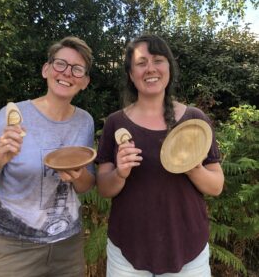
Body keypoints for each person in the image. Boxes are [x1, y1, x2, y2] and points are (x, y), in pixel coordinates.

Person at [0, 36, 95, 277]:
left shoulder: (84, 121)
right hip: (11, 248)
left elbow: (86, 185)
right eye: (60, 64)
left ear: (85, 81)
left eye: (77, 69)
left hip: (67, 248)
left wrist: (77, 176)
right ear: (46, 69)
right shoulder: (11, 116)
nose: (67, 73)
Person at [96, 34, 224, 277]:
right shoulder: (115, 122)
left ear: (169, 68)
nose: (150, 69)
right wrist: (119, 174)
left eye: (158, 60)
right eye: (141, 63)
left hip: (188, 252)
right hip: (127, 253)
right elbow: (104, 188)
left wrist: (191, 166)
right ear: (131, 74)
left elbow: (216, 186)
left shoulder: (194, 121)